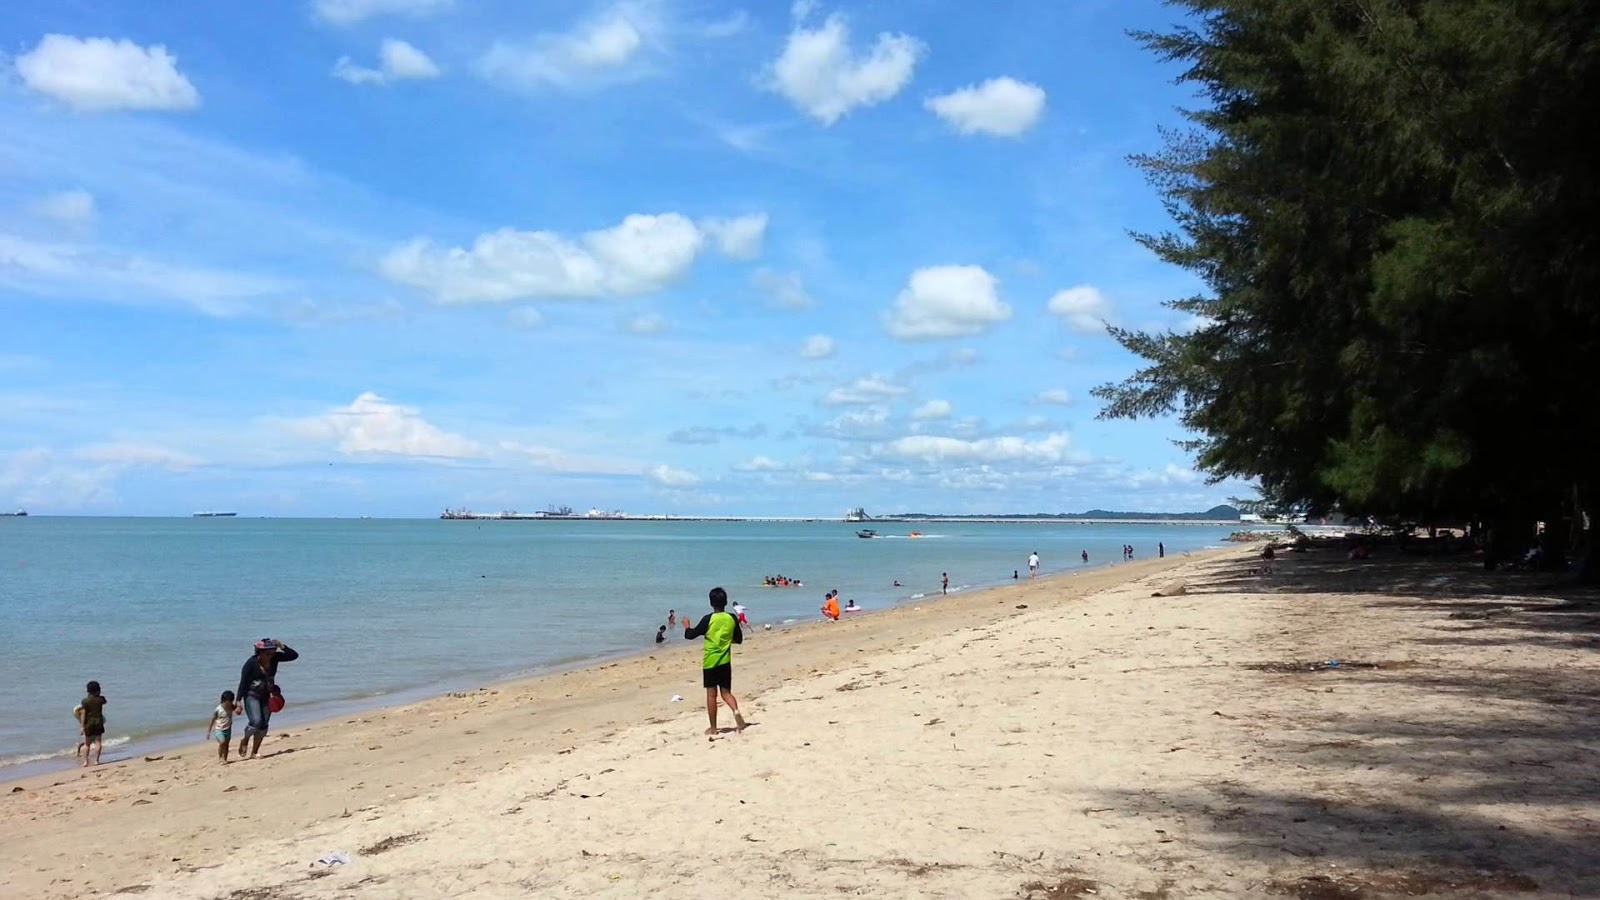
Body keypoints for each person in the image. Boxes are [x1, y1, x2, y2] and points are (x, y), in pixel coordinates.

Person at [683, 587, 746, 736]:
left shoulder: (708, 619)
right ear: (726, 602)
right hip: (725, 661)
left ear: (711, 603)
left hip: (710, 662)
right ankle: (735, 710)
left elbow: (690, 635)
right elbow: (739, 640)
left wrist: (686, 625)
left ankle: (713, 728)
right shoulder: (732, 618)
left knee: (711, 695)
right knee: (726, 693)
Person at [235, 638, 299, 760]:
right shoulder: (250, 664)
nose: (271, 655)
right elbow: (243, 682)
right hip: (251, 695)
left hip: (267, 696)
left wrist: (282, 645)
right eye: (267, 653)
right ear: (260, 652)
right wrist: (238, 701)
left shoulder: (275, 658)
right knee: (256, 722)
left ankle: (254, 752)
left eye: (272, 652)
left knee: (264, 725)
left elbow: (294, 656)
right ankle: (245, 739)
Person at [77, 681, 107, 767]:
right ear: (98, 690)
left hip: (88, 724)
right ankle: (97, 760)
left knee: (87, 744)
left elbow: (83, 714)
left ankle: (85, 762)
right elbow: (105, 701)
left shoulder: (85, 701)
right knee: (98, 742)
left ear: (88, 691)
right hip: (98, 723)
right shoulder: (100, 700)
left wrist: (82, 726)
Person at [208, 691, 236, 763]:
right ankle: (220, 757)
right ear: (223, 701)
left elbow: (237, 711)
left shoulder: (231, 707)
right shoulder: (218, 709)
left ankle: (225, 758)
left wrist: (239, 708)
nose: (229, 704)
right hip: (219, 730)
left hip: (228, 729)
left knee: (226, 745)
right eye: (227, 703)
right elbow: (212, 720)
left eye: (230, 702)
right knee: (222, 742)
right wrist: (209, 731)